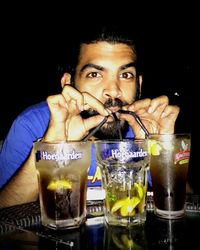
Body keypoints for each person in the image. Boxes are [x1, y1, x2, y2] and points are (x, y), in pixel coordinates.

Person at [0, 25, 180, 207]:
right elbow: (4, 221)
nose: (113, 91)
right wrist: (50, 149)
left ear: (139, 84)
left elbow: (183, 209)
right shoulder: (32, 124)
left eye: (126, 75)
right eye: (94, 74)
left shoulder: (145, 130)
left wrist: (162, 151)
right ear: (68, 83)